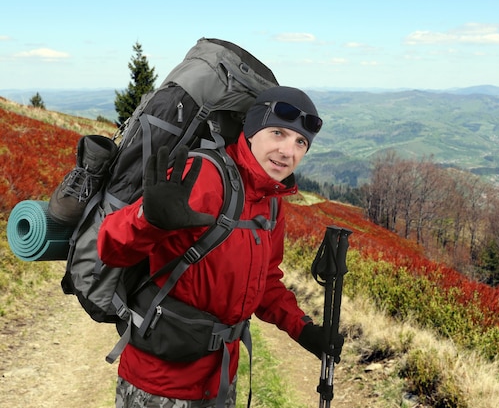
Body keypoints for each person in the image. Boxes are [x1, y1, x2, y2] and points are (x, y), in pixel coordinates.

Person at [97, 86, 344, 408]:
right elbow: (110, 249)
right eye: (278, 133)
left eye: (301, 142)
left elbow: (266, 282)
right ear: (251, 132)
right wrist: (149, 220)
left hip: (220, 379)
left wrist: (303, 329)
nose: (288, 151)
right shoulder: (204, 176)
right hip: (160, 382)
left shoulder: (269, 204)